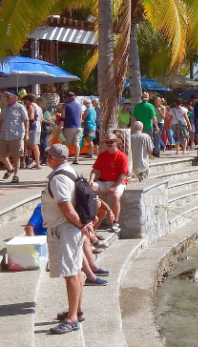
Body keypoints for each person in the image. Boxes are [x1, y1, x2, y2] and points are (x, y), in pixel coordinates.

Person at [41, 144, 95, 334]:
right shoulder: (70, 171)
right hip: (72, 228)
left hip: (66, 229)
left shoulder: (59, 178)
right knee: (76, 270)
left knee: (71, 273)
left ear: (53, 158)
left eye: (48, 155)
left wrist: (81, 225)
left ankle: (72, 319)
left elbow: (66, 208)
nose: (46, 158)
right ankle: (77, 311)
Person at [88, 133, 129, 233]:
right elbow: (95, 170)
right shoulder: (102, 155)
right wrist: (91, 180)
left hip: (118, 182)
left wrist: (114, 187)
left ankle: (115, 222)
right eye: (107, 142)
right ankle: (89, 218)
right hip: (104, 181)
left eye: (111, 142)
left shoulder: (122, 156)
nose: (109, 144)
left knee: (115, 196)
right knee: (90, 188)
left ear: (116, 143)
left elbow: (123, 174)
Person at [1, 91, 30, 183]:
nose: (7, 98)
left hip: (16, 135)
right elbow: (1, 120)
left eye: (8, 96)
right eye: (6, 97)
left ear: (15, 97)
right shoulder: (5, 107)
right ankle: (10, 168)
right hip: (4, 135)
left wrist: (27, 133)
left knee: (16, 156)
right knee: (2, 156)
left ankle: (16, 175)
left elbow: (26, 121)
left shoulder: (20, 107)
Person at [60, 91, 82, 164]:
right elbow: (80, 118)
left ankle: (65, 158)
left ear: (68, 98)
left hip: (69, 126)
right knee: (77, 143)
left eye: (66, 97)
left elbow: (63, 117)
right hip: (78, 126)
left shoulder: (65, 105)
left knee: (66, 143)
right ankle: (76, 159)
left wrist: (61, 127)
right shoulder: (79, 106)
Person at [22, 94, 42, 169]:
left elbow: (31, 118)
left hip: (32, 128)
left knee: (33, 146)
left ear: (28, 100)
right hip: (37, 128)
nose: (24, 102)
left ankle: (37, 163)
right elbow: (40, 119)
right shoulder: (38, 107)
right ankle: (34, 162)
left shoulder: (30, 106)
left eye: (25, 100)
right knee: (33, 146)